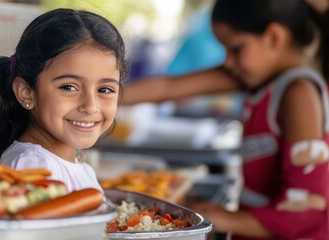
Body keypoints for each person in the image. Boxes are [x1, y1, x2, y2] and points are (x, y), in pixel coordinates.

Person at [122, 0, 329, 239]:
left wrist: (224, 218)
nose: (228, 62)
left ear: (273, 37)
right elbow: (167, 87)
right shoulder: (257, 76)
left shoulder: (298, 92)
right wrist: (100, 95)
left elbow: (307, 210)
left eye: (236, 48)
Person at [0, 8, 127, 193]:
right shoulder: (32, 167)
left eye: (105, 89)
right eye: (69, 87)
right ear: (26, 92)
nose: (90, 106)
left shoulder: (81, 169)